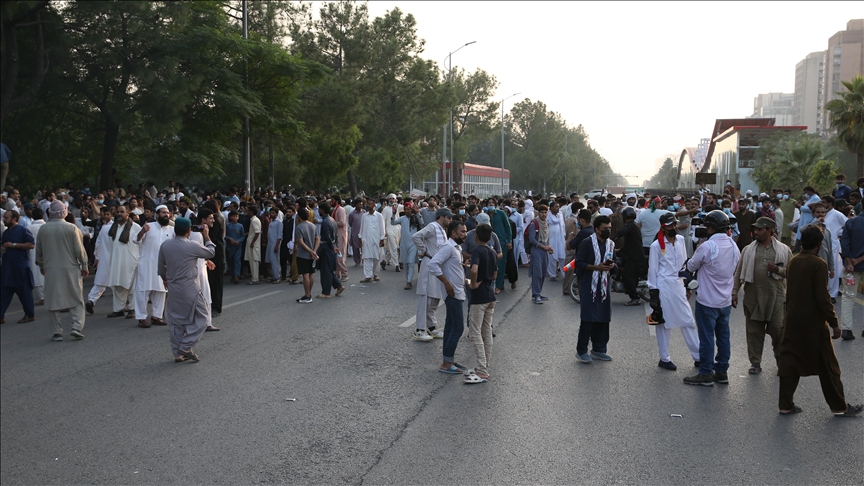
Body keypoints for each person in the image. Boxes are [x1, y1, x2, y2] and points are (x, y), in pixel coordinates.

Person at [776, 225, 863, 417]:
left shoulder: (794, 261)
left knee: (789, 362)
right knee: (828, 366)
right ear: (819, 244)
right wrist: (834, 323)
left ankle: (785, 405)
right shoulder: (818, 264)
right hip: (813, 324)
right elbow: (823, 299)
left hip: (792, 319)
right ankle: (840, 407)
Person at [684, 210, 740, 386]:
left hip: (707, 301)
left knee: (707, 338)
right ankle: (721, 372)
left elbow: (691, 265)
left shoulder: (707, 246)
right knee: (723, 337)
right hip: (725, 301)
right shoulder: (733, 245)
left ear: (710, 227)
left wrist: (700, 245)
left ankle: (706, 373)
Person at [731, 217, 791, 374]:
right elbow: (738, 272)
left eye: (760, 229)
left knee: (778, 330)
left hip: (776, 297)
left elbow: (791, 273)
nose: (756, 232)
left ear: (770, 231)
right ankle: (755, 363)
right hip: (753, 296)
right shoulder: (748, 250)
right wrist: (735, 291)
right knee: (754, 332)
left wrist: (778, 270)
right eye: (755, 229)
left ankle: (780, 360)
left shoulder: (784, 250)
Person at [647, 212, 701, 371]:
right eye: (670, 225)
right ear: (663, 228)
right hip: (663, 286)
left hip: (678, 284)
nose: (674, 227)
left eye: (674, 224)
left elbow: (684, 265)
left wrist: (686, 286)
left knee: (688, 321)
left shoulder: (681, 241)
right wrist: (653, 294)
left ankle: (698, 357)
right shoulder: (656, 246)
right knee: (663, 323)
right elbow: (653, 270)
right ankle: (664, 358)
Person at [158, 217, 216, 363]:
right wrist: (207, 236)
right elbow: (210, 253)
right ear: (189, 231)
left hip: (173, 286)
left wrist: (166, 279)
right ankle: (186, 345)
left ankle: (177, 353)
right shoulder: (191, 245)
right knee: (203, 317)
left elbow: (160, 267)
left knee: (177, 320)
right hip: (189, 286)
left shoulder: (165, 245)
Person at [35, 200, 89, 341]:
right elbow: (79, 250)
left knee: (53, 300)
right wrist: (84, 266)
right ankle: (76, 327)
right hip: (71, 268)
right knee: (77, 298)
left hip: (51, 269)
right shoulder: (72, 228)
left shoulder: (43, 229)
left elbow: (39, 251)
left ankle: (56, 332)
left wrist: (41, 265)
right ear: (64, 212)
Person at [428, 220, 468, 374]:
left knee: (451, 326)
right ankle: (446, 363)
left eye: (466, 231)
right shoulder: (448, 247)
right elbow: (433, 264)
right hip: (452, 293)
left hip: (458, 291)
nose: (465, 234)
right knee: (458, 327)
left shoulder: (456, 247)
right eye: (462, 232)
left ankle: (448, 359)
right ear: (453, 233)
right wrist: (446, 283)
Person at [574, 216, 616, 363]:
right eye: (605, 229)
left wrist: (612, 266)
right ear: (597, 229)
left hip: (604, 286)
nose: (608, 231)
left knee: (603, 317)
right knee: (588, 318)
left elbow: (615, 264)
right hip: (588, 285)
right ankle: (582, 350)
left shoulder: (610, 244)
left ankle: (599, 349)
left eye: (609, 228)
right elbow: (579, 263)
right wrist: (596, 267)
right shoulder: (587, 243)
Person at [411, 208, 453, 341]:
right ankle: (420, 329)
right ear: (442, 217)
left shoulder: (442, 230)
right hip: (429, 264)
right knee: (426, 298)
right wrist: (423, 249)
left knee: (435, 298)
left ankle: (431, 327)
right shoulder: (432, 226)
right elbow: (416, 236)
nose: (450, 220)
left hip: (438, 267)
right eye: (449, 218)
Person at [465, 223, 497, 384]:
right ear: (490, 237)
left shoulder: (477, 251)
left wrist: (473, 283)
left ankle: (482, 370)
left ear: (476, 236)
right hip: (490, 294)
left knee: (475, 331)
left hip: (479, 297)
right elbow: (495, 273)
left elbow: (475, 269)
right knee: (486, 331)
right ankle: (483, 366)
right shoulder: (491, 251)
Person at [132, 205, 174, 328]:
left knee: (161, 291)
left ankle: (157, 316)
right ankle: (141, 317)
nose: (166, 215)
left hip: (163, 266)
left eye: (167, 212)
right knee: (143, 291)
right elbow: (136, 240)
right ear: (156, 215)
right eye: (163, 213)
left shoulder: (172, 230)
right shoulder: (148, 227)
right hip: (146, 264)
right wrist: (142, 231)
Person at [1, 210, 35, 324]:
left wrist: (14, 245)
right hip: (7, 267)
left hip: (20, 267)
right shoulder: (6, 233)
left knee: (24, 292)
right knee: (4, 292)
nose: (4, 220)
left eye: (6, 218)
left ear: (14, 218)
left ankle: (29, 314)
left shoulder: (22, 230)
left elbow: (31, 244)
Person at [106, 205, 141, 319]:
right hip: (116, 260)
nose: (119, 214)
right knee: (117, 285)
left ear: (128, 213)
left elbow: (141, 244)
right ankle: (118, 309)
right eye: (118, 212)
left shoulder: (135, 227)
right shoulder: (114, 227)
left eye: (122, 212)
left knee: (131, 286)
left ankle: (132, 308)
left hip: (130, 261)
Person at [839, 210, 863, 339]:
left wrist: (850, 262)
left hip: (850, 267)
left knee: (848, 296)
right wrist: (859, 260)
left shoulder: (851, 222)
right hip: (859, 262)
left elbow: (844, 243)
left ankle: (847, 329)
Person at [613, 207, 644, 306]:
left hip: (634, 258)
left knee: (627, 276)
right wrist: (619, 250)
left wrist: (612, 240)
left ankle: (635, 298)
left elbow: (620, 232)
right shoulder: (633, 226)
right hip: (633, 255)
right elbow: (630, 244)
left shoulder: (630, 226)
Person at [86, 207, 114, 313]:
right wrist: (97, 258)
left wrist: (97, 257)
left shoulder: (106, 228)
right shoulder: (106, 228)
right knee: (116, 284)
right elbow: (98, 244)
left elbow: (98, 244)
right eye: (104, 214)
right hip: (112, 259)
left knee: (100, 283)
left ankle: (91, 300)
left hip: (105, 259)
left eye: (108, 214)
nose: (105, 216)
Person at [316, 202, 344, 298]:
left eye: (319, 209)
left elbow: (327, 237)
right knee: (328, 270)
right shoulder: (332, 220)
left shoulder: (325, 222)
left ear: (322, 210)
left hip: (326, 248)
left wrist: (332, 247)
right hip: (331, 248)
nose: (318, 211)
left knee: (325, 271)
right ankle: (338, 285)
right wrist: (335, 246)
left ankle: (326, 292)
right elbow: (335, 236)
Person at [526, 204, 552, 305]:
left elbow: (547, 237)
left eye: (545, 212)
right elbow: (532, 239)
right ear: (538, 213)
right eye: (542, 212)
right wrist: (543, 246)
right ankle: (536, 294)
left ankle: (539, 292)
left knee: (543, 272)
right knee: (537, 273)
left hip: (544, 249)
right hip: (537, 250)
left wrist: (549, 246)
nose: (544, 214)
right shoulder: (534, 223)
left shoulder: (546, 223)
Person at [391, 201, 421, 290]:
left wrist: (418, 212)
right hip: (403, 243)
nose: (407, 211)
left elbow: (422, 223)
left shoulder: (415, 218)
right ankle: (408, 279)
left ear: (411, 210)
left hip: (413, 244)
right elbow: (393, 222)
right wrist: (393, 214)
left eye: (408, 209)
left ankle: (409, 282)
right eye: (405, 209)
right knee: (406, 263)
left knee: (411, 262)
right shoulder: (402, 218)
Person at [203, 199, 225, 317]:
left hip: (216, 252)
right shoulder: (216, 218)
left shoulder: (216, 220)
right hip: (214, 251)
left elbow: (213, 237)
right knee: (211, 281)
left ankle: (216, 307)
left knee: (216, 281)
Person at [293, 207, 318, 303]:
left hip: (303, 254)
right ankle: (309, 293)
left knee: (305, 275)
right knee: (311, 274)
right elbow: (317, 239)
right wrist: (314, 250)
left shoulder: (299, 227)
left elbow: (301, 242)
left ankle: (307, 295)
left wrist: (310, 251)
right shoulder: (313, 226)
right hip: (312, 254)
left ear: (299, 216)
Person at [358, 197, 385, 284]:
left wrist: (382, 239)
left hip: (376, 240)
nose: (368, 205)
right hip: (366, 239)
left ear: (374, 205)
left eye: (370, 204)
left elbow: (382, 228)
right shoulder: (364, 216)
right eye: (367, 204)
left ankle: (375, 274)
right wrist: (360, 237)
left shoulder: (379, 216)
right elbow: (361, 227)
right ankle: (368, 276)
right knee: (366, 257)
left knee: (377, 258)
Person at [26, 208, 46, 305]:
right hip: (48, 253)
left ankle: (42, 297)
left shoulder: (29, 228)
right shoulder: (47, 226)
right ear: (43, 216)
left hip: (33, 253)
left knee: (36, 274)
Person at [546, 201, 566, 282]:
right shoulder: (548, 216)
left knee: (562, 258)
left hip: (560, 239)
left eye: (558, 206)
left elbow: (563, 225)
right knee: (552, 258)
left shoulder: (560, 215)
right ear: (551, 208)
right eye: (556, 206)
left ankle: (564, 275)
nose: (557, 208)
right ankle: (552, 275)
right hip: (552, 239)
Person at [381, 194, 401, 271]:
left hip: (398, 229)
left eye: (393, 198)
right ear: (388, 200)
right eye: (390, 198)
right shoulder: (385, 209)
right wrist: (384, 231)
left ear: (395, 200)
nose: (392, 200)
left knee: (393, 247)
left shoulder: (398, 207)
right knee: (394, 247)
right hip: (389, 230)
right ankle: (396, 265)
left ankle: (384, 261)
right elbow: (382, 221)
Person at [331, 195, 349, 281]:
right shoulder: (335, 209)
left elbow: (342, 222)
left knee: (340, 255)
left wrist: (332, 223)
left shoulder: (341, 210)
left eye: (333, 200)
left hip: (341, 234)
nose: (331, 202)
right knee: (336, 254)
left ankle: (344, 273)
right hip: (336, 234)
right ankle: (337, 273)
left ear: (337, 201)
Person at [225, 210, 245, 283]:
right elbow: (224, 235)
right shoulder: (227, 226)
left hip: (238, 246)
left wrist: (239, 241)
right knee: (230, 261)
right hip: (230, 246)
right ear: (230, 217)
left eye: (236, 216)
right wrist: (229, 238)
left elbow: (243, 235)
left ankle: (237, 275)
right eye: (233, 216)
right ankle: (232, 274)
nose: (235, 218)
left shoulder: (240, 226)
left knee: (237, 259)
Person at [244, 205, 262, 284]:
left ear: (251, 211)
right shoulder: (254, 220)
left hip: (253, 244)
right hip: (253, 242)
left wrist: (252, 242)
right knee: (252, 261)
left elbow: (257, 232)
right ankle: (254, 278)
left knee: (253, 261)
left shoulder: (254, 220)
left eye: (248, 210)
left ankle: (255, 279)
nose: (246, 212)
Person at [265, 207, 283, 284]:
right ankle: (273, 276)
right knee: (270, 260)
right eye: (270, 213)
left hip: (274, 244)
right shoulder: (271, 221)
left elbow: (279, 235)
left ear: (276, 213)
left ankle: (277, 277)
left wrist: (277, 245)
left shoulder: (279, 222)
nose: (271, 214)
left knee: (274, 260)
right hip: (270, 243)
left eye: (273, 213)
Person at [348, 199, 364, 267]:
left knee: (364, 247)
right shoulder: (352, 214)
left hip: (363, 232)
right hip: (355, 232)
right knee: (355, 248)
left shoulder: (364, 212)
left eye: (361, 204)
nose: (361, 205)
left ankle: (364, 260)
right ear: (356, 205)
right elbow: (350, 223)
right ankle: (357, 261)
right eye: (359, 204)